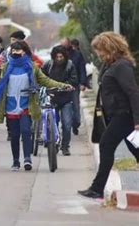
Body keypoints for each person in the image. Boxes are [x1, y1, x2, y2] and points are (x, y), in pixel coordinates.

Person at [0, 41, 71, 171]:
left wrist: (62, 85)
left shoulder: (32, 67)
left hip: (26, 104)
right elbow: (0, 83)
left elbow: (45, 80)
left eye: (19, 50)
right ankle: (16, 161)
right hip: (11, 105)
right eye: (14, 50)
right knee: (15, 135)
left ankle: (27, 159)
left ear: (24, 52)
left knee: (26, 131)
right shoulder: (5, 67)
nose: (16, 53)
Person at [78, 32, 139, 199]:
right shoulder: (111, 65)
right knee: (136, 149)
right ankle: (96, 188)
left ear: (110, 48)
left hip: (124, 115)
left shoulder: (121, 66)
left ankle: (97, 188)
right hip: (117, 115)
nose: (99, 54)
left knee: (106, 145)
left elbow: (133, 93)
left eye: (100, 50)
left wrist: (137, 121)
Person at [41, 45, 78, 156]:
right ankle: (54, 144)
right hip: (52, 98)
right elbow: (41, 77)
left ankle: (65, 146)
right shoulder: (48, 65)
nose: (59, 59)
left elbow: (74, 79)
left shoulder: (70, 65)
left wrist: (65, 85)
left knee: (67, 124)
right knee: (53, 124)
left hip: (66, 99)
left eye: (61, 57)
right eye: (57, 57)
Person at [60, 38, 88, 135]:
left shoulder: (77, 54)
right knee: (64, 107)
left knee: (76, 106)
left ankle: (76, 123)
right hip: (63, 85)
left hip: (75, 85)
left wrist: (83, 83)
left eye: (65, 45)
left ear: (69, 44)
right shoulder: (59, 55)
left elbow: (82, 69)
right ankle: (66, 125)